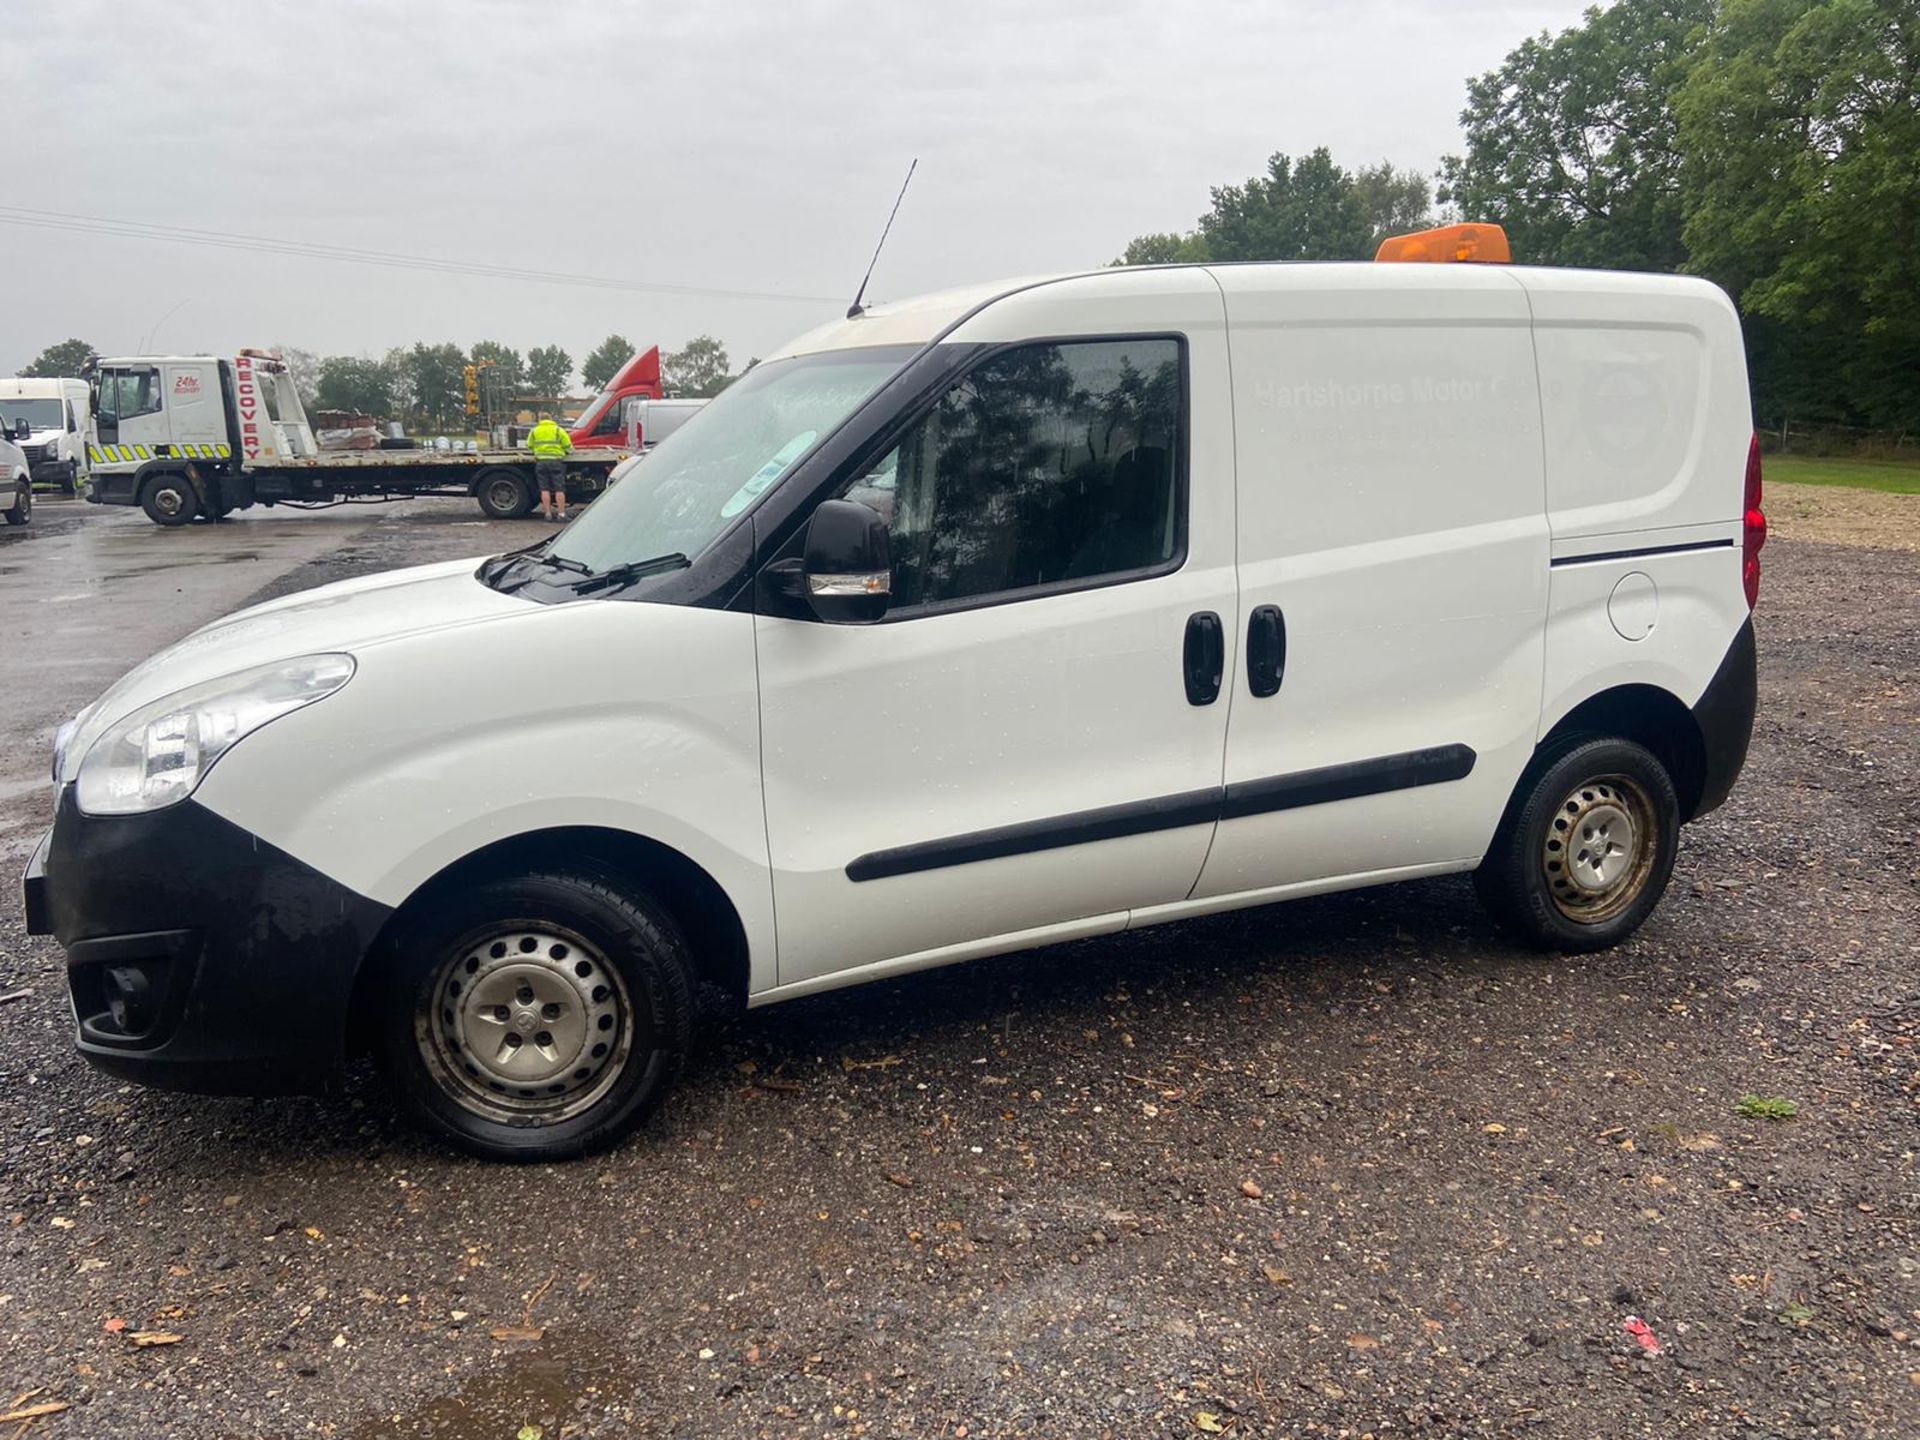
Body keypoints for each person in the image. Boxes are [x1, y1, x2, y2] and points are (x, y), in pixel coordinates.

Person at [528, 413, 574, 521]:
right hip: (556, 462)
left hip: (541, 462)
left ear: (540, 419)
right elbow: (567, 445)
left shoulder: (534, 431)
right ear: (551, 419)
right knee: (559, 489)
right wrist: (566, 451)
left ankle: (547, 514)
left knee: (544, 489)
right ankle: (561, 514)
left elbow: (529, 445)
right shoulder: (558, 430)